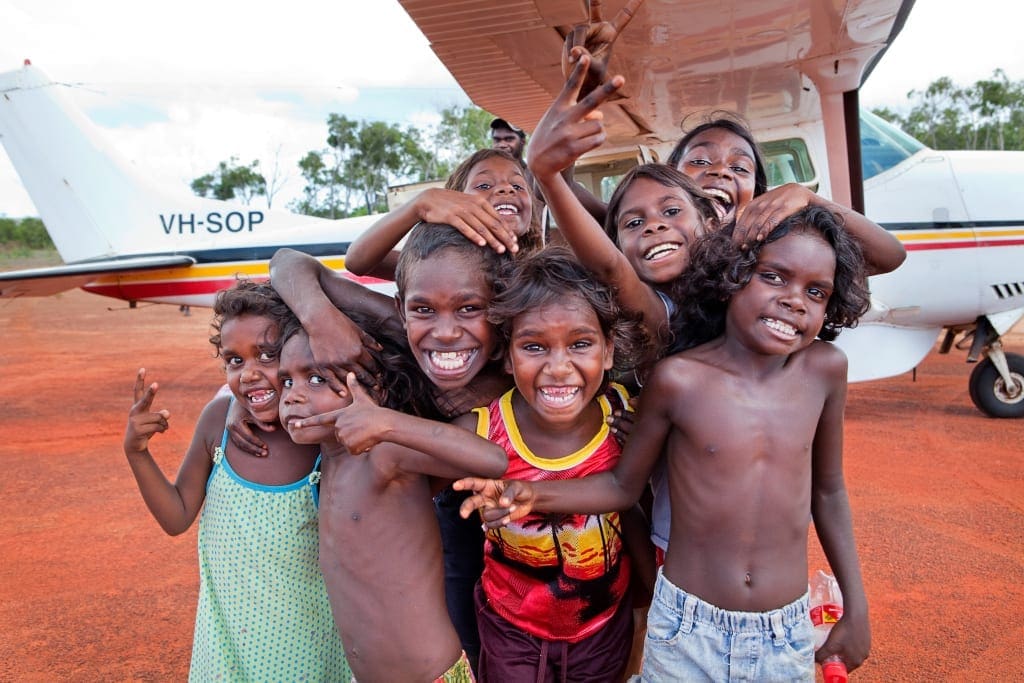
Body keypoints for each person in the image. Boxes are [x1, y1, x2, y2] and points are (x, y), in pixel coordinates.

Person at [456, 206, 873, 680]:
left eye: (816, 291)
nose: (795, 300)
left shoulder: (825, 370)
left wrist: (856, 606)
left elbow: (829, 491)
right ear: (731, 277)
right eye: (773, 277)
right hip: (687, 627)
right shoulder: (678, 379)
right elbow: (621, 487)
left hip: (786, 628)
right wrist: (528, 493)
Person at [268, 224, 514, 673]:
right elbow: (288, 260)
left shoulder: (384, 448)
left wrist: (387, 423)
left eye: (318, 378)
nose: (293, 396)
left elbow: (492, 457)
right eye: (286, 381)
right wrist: (322, 322)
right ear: (403, 310)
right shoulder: (332, 454)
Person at [122, 280, 351, 682]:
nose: (249, 374)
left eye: (267, 355)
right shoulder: (217, 423)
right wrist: (137, 453)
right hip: (225, 645)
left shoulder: (322, 440)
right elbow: (176, 517)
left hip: (306, 649)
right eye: (234, 361)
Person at [465, 247, 648, 681]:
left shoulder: (624, 416)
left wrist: (649, 597)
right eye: (534, 346)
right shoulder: (481, 430)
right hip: (510, 630)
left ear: (608, 352)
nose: (559, 367)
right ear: (507, 357)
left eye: (581, 344)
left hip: (603, 629)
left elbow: (637, 507)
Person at [343, 148, 540, 279]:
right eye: (484, 185)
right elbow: (357, 261)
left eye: (517, 185)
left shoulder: (541, 272)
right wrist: (420, 204)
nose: (506, 189)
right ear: (451, 204)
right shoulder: (438, 266)